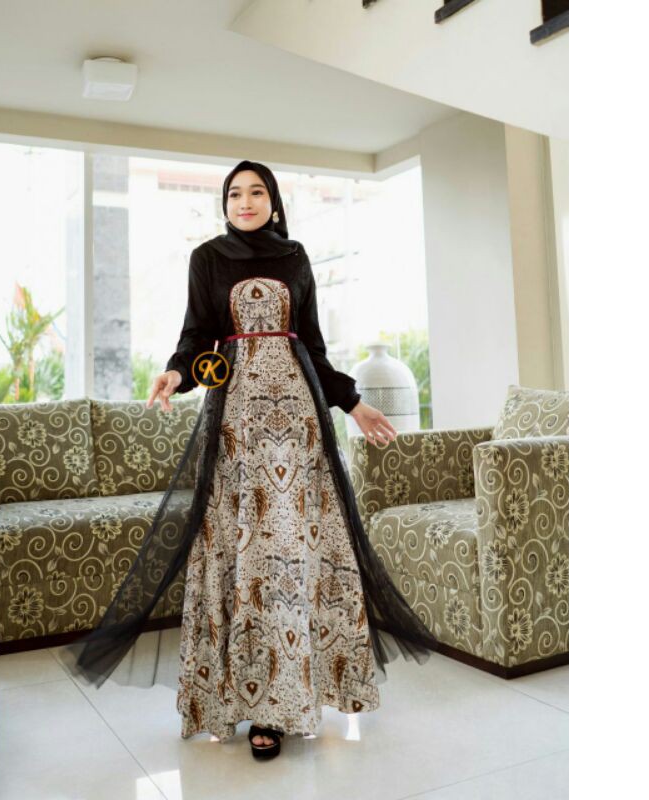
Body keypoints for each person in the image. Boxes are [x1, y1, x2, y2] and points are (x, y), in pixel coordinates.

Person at [62, 160, 439, 760]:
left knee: (288, 551)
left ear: (274, 201)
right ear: (224, 204)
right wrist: (175, 373)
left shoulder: (296, 258)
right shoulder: (207, 259)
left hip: (297, 422)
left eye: (256, 191)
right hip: (235, 425)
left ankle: (280, 706)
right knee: (241, 550)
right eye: (234, 193)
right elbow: (196, 338)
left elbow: (313, 347)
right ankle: (235, 696)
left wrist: (354, 404)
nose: (245, 201)